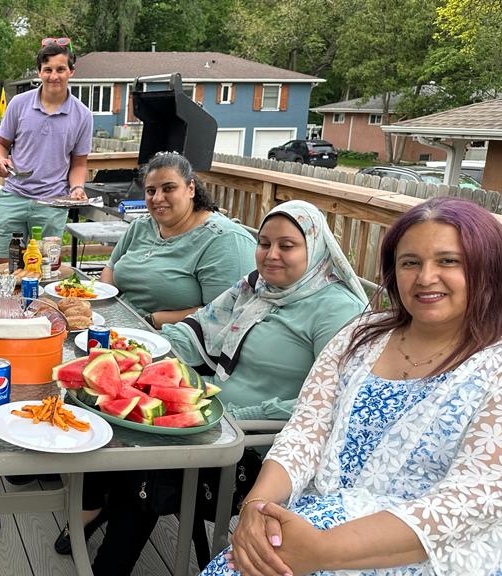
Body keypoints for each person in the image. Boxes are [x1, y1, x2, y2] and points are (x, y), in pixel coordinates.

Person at [59, 200, 370, 574]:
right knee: (111, 405)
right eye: (264, 243)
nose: (271, 255)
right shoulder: (254, 287)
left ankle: (106, 559)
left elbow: (332, 405)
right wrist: (136, 350)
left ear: (315, 248)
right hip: (208, 412)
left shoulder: (336, 309)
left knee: (145, 467)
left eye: (287, 245)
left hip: (261, 448)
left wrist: (239, 416)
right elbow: (199, 330)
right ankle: (92, 506)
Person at [205, 196, 502, 576]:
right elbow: (305, 432)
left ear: (486, 268)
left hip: (426, 555)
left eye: (449, 261)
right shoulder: (360, 337)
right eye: (410, 262)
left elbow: (469, 499)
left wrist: (325, 552)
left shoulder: (492, 366)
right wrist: (256, 507)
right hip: (311, 525)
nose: (426, 277)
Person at [103, 151, 256, 326]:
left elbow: (223, 313)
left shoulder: (225, 240)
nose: (158, 198)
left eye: (168, 188)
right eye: (151, 191)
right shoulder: (142, 225)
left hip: (173, 339)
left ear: (190, 189)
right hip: (117, 325)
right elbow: (111, 268)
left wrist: (153, 320)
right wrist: (107, 306)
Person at [0, 38, 93, 266]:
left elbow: (79, 164)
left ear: (71, 72)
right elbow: (0, 145)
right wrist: (0, 160)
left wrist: (77, 188)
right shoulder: (19, 103)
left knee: (47, 268)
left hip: (52, 202)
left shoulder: (82, 115)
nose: (53, 76)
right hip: (14, 195)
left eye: (60, 69)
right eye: (47, 70)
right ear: (39, 72)